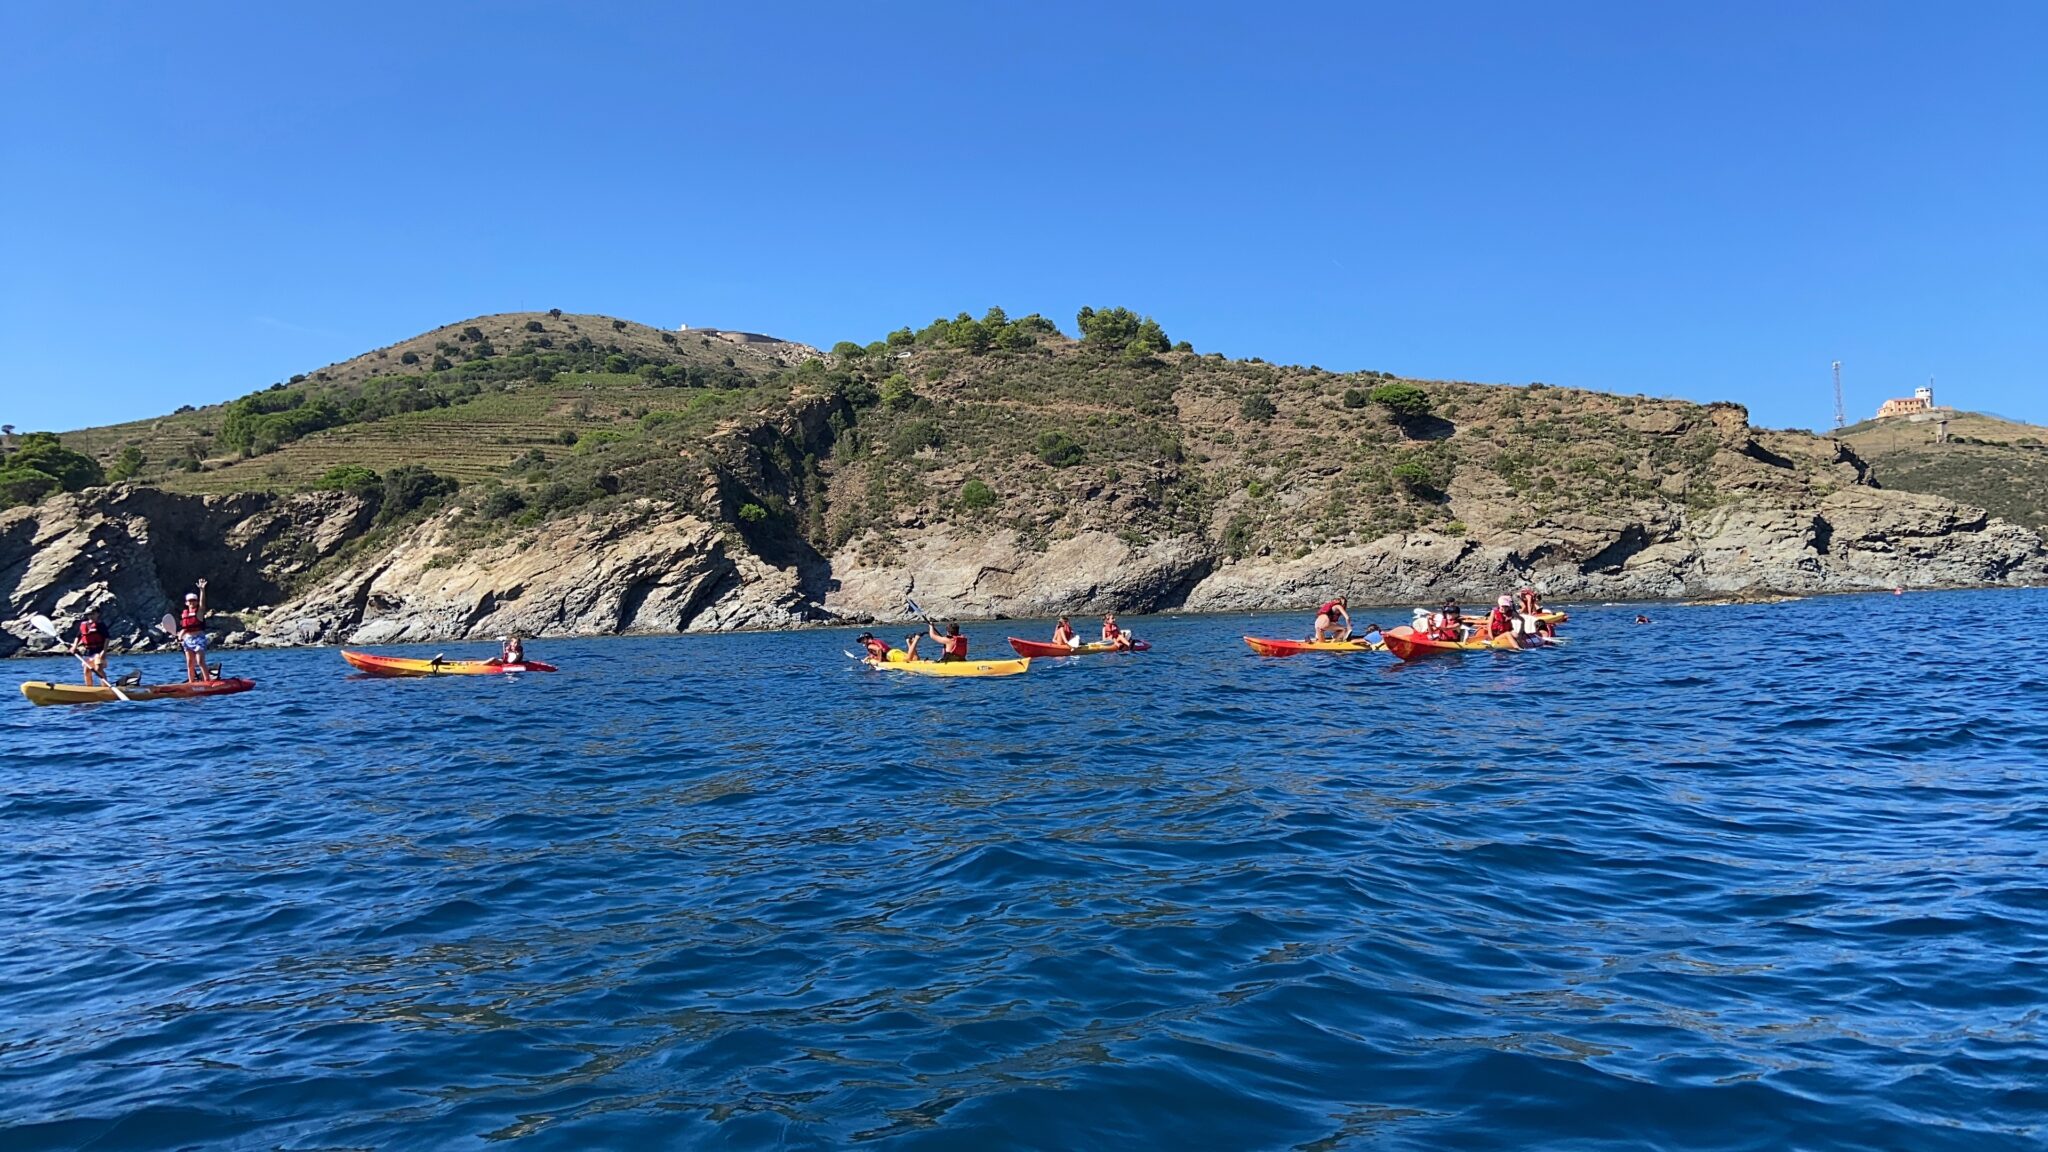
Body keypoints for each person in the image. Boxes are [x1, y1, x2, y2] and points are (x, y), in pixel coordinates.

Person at [177, 580, 211, 683]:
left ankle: (207, 681)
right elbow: (185, 628)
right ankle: (191, 683)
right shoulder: (185, 613)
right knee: (189, 663)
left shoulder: (199, 612)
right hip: (187, 639)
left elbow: (202, 605)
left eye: (194, 601)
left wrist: (202, 590)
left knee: (200, 662)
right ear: (186, 603)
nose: (192, 603)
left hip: (198, 639)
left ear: (196, 602)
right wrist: (180, 635)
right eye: (189, 601)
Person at [72, 606, 109, 686]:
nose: (90, 616)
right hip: (88, 652)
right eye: (89, 614)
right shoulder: (84, 625)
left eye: (93, 614)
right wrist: (74, 646)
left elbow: (107, 638)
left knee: (98, 668)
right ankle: (89, 688)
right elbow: (78, 636)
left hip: (98, 651)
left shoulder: (100, 625)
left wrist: (104, 651)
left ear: (98, 614)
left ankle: (106, 687)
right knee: (86, 670)